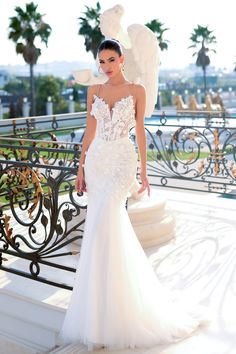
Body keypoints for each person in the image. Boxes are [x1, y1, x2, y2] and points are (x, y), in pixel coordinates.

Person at [58, 39, 206, 351]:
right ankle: (98, 313)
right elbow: (90, 130)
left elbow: (139, 130)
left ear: (122, 59)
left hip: (121, 163)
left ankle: (118, 311)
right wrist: (81, 167)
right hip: (97, 161)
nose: (106, 67)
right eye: (101, 62)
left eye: (111, 60)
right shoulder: (93, 91)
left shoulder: (136, 90)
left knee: (107, 224)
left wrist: (144, 171)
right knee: (97, 229)